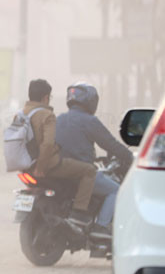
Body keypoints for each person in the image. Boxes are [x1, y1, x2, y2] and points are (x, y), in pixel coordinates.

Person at [55, 82, 134, 239]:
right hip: (82, 174)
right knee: (116, 191)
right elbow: (110, 144)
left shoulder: (59, 119)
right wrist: (130, 157)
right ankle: (101, 226)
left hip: (59, 171)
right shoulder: (90, 121)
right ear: (91, 101)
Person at [22, 79, 97, 228]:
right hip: (46, 166)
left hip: (25, 166)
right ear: (45, 98)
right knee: (89, 170)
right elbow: (48, 144)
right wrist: (41, 167)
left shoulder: (20, 115)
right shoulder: (47, 115)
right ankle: (79, 214)